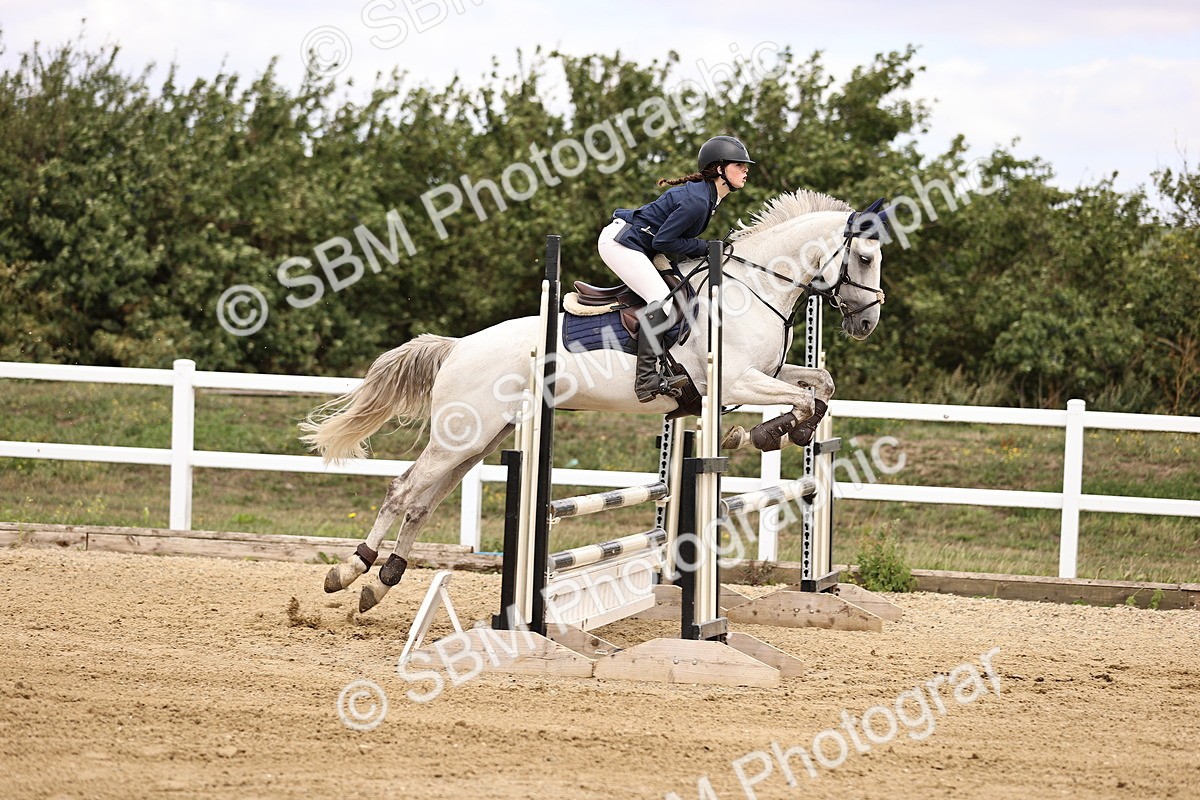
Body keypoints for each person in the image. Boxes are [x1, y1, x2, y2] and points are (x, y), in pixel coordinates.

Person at [598, 135, 753, 402]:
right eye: (739, 165)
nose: (745, 170)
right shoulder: (698, 201)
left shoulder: (707, 198)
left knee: (679, 291)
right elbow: (664, 240)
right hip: (622, 243)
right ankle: (646, 381)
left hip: (643, 245)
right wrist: (706, 247)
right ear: (719, 169)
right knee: (662, 301)